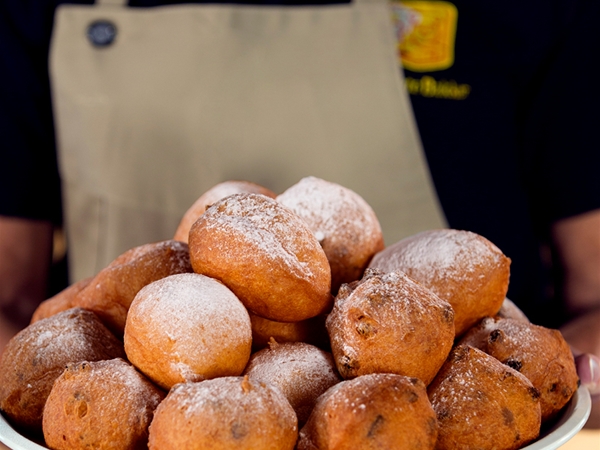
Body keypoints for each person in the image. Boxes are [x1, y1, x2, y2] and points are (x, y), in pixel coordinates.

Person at [1, 0, 599, 428]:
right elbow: (6, 299)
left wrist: (574, 380)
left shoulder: (541, 11)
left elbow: (596, 297)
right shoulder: (29, 12)